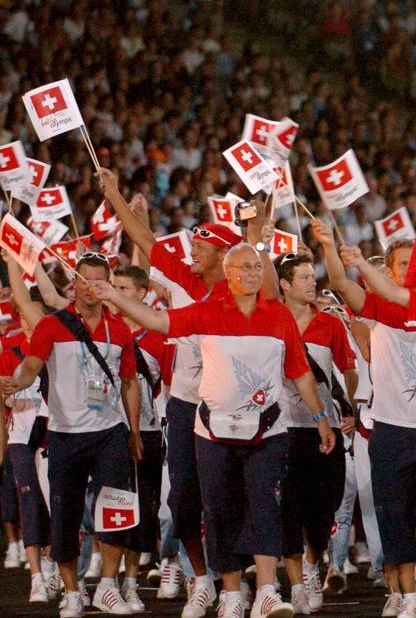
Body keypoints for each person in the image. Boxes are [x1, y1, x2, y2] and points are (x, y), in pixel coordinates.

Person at [93, 242, 335, 618]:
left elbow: (299, 371)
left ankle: (268, 592)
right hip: (212, 432)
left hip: (268, 432)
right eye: (245, 268)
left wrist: (321, 418)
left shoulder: (280, 316)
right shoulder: (205, 312)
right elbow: (158, 322)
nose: (254, 274)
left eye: (257, 267)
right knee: (221, 513)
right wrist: (113, 295)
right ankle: (232, 594)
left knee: (265, 508)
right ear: (228, 272)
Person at [97, 166, 277, 618]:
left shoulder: (247, 286)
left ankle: (241, 586)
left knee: (238, 500)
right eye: (192, 245)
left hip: (242, 408)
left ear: (223, 254)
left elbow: (267, 279)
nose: (190, 251)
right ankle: (203, 581)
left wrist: (254, 235)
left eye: (200, 247)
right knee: (183, 500)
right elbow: (144, 238)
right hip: (186, 406)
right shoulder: (181, 279)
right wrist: (115, 195)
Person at [0, 254, 142, 618]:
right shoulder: (51, 325)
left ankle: (108, 587)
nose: (92, 287)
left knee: (116, 512)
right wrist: (20, 380)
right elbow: (33, 363)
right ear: (74, 285)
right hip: (64, 435)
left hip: (110, 432)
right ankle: (73, 592)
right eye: (85, 280)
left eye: (99, 281)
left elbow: (129, 383)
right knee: (64, 516)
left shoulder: (120, 329)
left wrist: (135, 430)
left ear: (106, 285)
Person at [317, 221, 416, 618]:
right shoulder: (378, 308)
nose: (411, 270)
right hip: (389, 430)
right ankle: (405, 595)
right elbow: (338, 281)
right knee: (394, 518)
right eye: (403, 264)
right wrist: (328, 245)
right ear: (389, 272)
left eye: (415, 263)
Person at [275, 253, 358, 614]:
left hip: (323, 429)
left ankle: (314, 562)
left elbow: (348, 369)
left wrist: (352, 407)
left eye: (313, 276)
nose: (313, 283)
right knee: (288, 509)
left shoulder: (330, 324)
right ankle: (297, 584)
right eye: (305, 278)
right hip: (281, 429)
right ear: (285, 284)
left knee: (324, 508)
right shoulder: (271, 321)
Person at [111, 265, 169, 613]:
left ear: (142, 293)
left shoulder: (157, 336)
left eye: (124, 288)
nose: (117, 292)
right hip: (107, 433)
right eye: (113, 286)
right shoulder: (102, 330)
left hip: (148, 433)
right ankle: (110, 582)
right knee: (116, 509)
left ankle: (132, 583)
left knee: (145, 510)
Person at [1, 253, 57, 605]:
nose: (29, 323)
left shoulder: (56, 349)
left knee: (56, 502)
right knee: (29, 502)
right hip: (22, 437)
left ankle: (54, 567)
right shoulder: (9, 351)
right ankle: (37, 577)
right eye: (24, 316)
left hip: (54, 436)